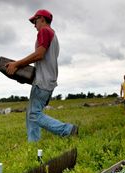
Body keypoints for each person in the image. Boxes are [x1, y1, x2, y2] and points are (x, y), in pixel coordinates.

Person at [6, 9, 78, 142]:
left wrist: (17, 64)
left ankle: (67, 130)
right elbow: (44, 62)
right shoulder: (53, 35)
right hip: (46, 80)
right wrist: (24, 76)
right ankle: (33, 142)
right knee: (31, 113)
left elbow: (39, 55)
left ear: (42, 19)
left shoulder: (44, 31)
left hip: (43, 82)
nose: (34, 24)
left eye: (35, 21)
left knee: (34, 114)